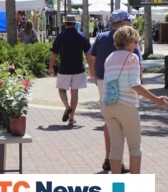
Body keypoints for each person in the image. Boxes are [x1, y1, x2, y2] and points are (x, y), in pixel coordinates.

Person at [102, 26, 167, 175]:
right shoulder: (132, 58)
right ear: (129, 41)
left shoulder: (109, 58)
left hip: (108, 105)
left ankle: (116, 188)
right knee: (135, 146)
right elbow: (135, 84)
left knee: (115, 148)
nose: (137, 45)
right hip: (127, 105)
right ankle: (134, 187)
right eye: (136, 41)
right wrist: (156, 99)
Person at [88, 9, 142, 173]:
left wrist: (96, 78)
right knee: (133, 139)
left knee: (110, 121)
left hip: (105, 82)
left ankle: (108, 158)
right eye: (128, 21)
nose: (130, 24)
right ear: (122, 23)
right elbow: (137, 68)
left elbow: (91, 58)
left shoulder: (101, 37)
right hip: (126, 85)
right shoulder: (129, 40)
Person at [48, 15, 91, 126]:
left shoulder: (61, 36)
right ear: (75, 23)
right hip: (78, 69)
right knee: (74, 93)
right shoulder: (82, 36)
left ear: (65, 23)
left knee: (62, 90)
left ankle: (67, 106)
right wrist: (91, 68)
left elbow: (54, 54)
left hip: (64, 68)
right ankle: (72, 117)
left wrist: (51, 67)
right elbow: (88, 54)